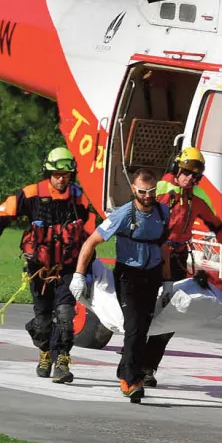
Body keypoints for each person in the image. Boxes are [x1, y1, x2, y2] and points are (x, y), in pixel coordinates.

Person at [0, 147, 95, 384]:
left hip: (68, 268)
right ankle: (45, 352)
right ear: (48, 173)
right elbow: (1, 214)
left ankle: (62, 361)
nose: (61, 179)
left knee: (65, 314)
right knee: (42, 321)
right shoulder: (31, 194)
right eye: (56, 174)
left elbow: (90, 237)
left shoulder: (79, 199)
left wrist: (87, 269)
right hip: (39, 270)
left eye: (66, 175)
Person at [139, 147, 222, 388]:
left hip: (178, 260)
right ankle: (135, 362)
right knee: (144, 312)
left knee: (170, 317)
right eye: (187, 173)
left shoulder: (196, 200)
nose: (191, 179)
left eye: (196, 176)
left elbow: (217, 226)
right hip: (152, 259)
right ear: (176, 169)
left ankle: (148, 367)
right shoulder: (158, 190)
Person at [73, 167, 169, 401]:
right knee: (134, 327)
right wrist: (79, 274)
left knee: (144, 329)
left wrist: (167, 281)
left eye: (152, 191)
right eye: (144, 191)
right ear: (133, 189)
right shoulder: (123, 215)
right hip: (129, 277)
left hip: (152, 275)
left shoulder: (163, 212)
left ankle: (126, 369)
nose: (148, 196)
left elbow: (163, 246)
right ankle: (130, 380)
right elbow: (90, 242)